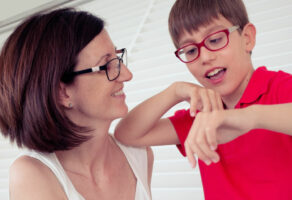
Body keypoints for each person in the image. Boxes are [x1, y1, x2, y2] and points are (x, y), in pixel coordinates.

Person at [114, 0, 292, 199]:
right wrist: (175, 91)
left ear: (247, 38)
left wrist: (250, 117)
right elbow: (127, 134)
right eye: (190, 50)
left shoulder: (279, 89)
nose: (204, 57)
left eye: (215, 40)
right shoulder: (201, 115)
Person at [0, 8, 153, 200]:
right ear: (63, 92)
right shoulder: (33, 174)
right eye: (105, 65)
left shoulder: (139, 154)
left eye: (117, 58)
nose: (127, 75)